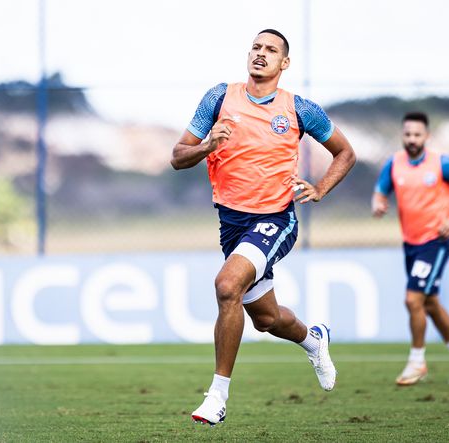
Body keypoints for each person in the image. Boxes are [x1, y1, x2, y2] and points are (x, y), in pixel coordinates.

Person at [171, 29, 356, 425]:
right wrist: (207, 145)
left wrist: (321, 187)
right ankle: (314, 340)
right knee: (267, 319)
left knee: (226, 286)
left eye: (271, 50)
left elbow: (345, 153)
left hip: (276, 217)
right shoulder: (219, 98)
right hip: (231, 223)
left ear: (284, 63)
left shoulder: (300, 109)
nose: (261, 53)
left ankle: (217, 396)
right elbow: (177, 156)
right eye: (256, 47)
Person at [372, 111, 449, 386]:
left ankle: (417, 362)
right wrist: (378, 203)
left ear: (426, 137)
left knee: (413, 300)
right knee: (429, 302)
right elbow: (381, 190)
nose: (412, 139)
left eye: (417, 135)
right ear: (402, 135)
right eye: (408, 134)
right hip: (411, 243)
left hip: (436, 241)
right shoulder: (394, 164)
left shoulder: (441, 163)